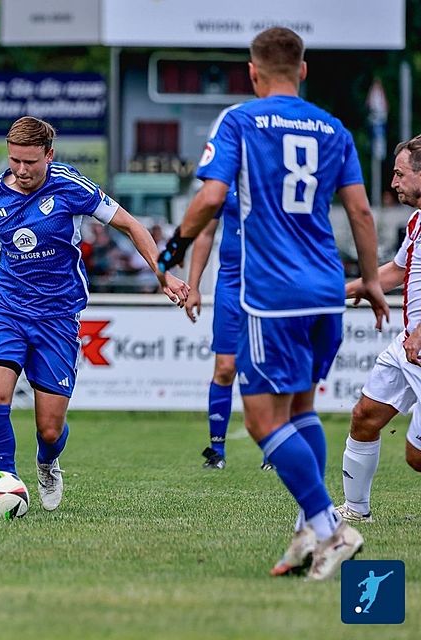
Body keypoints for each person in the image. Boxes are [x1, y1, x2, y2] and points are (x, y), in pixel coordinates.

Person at [157, 27, 389, 580]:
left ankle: (330, 526)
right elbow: (359, 213)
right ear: (303, 71)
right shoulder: (334, 129)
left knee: (263, 424)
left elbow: (211, 197)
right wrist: (373, 282)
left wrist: (172, 250)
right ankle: (311, 529)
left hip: (273, 293)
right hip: (328, 290)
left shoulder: (239, 119)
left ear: (252, 72)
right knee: (301, 410)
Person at [0, 115, 189, 512]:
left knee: (49, 428)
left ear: (49, 154)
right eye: (14, 161)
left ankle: (46, 460)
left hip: (58, 316)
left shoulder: (71, 186)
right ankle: (4, 482)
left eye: (31, 162)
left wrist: (162, 274)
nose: (22, 171)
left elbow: (130, 224)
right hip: (6, 307)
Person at [337, 135, 421, 524]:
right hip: (407, 346)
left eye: (400, 174)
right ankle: (356, 510)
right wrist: (338, 292)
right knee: (365, 416)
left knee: (416, 457)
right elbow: (396, 271)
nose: (393, 183)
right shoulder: (417, 221)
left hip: (418, 343)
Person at [184, 187, 274, 471]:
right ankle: (217, 450)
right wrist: (194, 286)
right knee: (224, 367)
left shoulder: (277, 174)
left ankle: (274, 449)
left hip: (270, 285)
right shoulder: (224, 184)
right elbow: (206, 233)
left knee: (267, 367)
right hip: (231, 286)